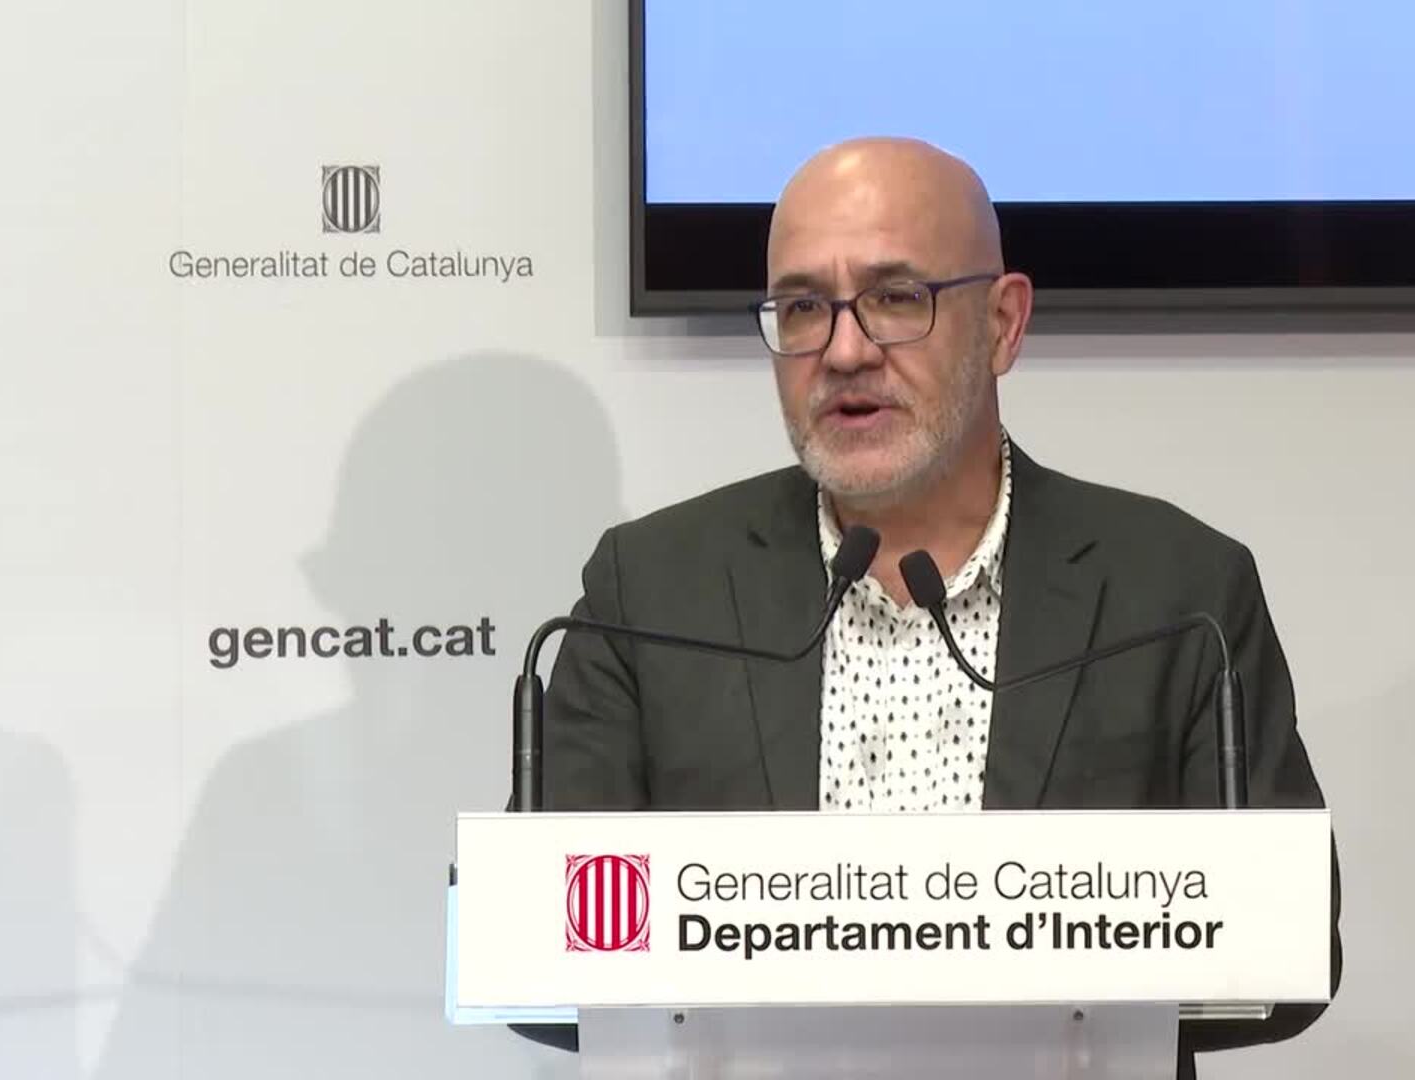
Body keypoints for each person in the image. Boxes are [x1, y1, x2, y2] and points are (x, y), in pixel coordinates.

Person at [543, 137, 1339, 1078]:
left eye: (894, 297)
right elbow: (539, 950)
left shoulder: (1179, 591)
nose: (844, 351)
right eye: (802, 307)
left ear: (1002, 323)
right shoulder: (650, 590)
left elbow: (1291, 957)